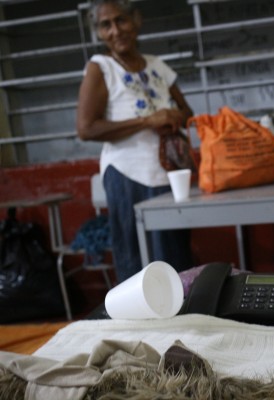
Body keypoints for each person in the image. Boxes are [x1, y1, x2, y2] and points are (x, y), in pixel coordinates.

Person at [76, 0, 193, 283]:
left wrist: (173, 117)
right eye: (106, 25)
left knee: (175, 259)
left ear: (136, 20)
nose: (116, 31)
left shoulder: (157, 65)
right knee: (137, 263)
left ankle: (184, 321)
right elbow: (86, 128)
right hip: (128, 175)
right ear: (99, 32)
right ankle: (138, 325)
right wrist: (147, 121)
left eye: (121, 20)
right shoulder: (100, 67)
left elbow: (188, 113)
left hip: (169, 174)